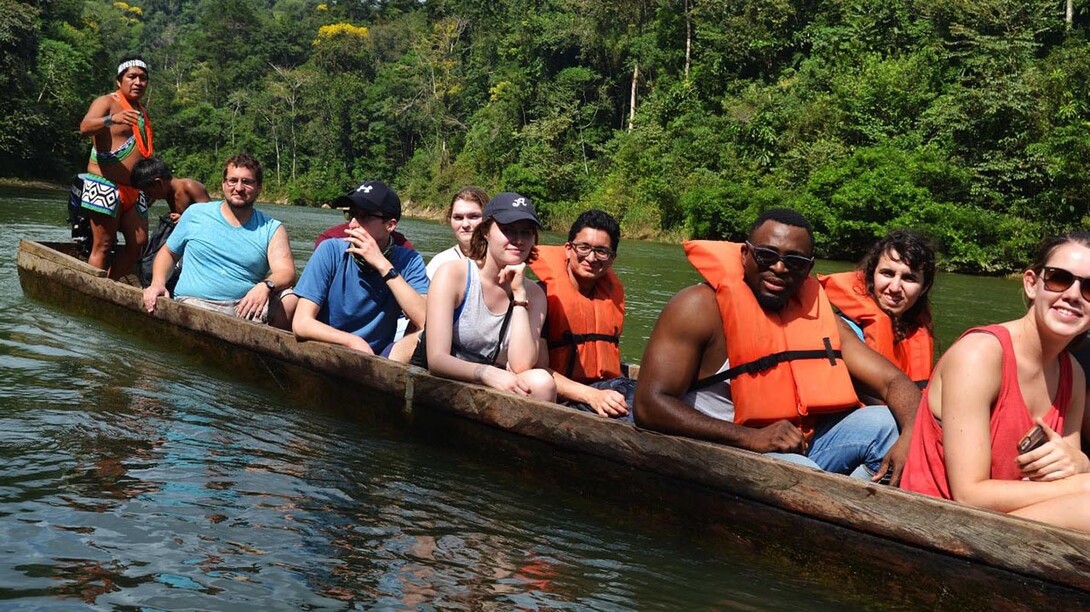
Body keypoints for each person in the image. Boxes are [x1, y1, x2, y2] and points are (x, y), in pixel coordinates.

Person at [634, 208, 920, 484]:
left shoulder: (820, 319)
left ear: (808, 268)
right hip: (723, 447)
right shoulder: (698, 307)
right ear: (745, 254)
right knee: (802, 472)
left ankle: (859, 499)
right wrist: (750, 437)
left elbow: (894, 381)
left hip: (799, 445)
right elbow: (649, 405)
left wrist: (909, 436)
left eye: (794, 261)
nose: (779, 268)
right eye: (766, 255)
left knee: (888, 424)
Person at [902, 233, 1090, 530]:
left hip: (1006, 529)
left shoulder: (1074, 375)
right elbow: (969, 495)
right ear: (1031, 283)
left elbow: (1067, 470)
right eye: (1059, 279)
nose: (1073, 295)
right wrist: (1083, 486)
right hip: (938, 527)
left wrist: (1083, 468)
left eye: (1089, 287)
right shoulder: (979, 356)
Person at [411, 193, 555, 400]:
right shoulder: (453, 275)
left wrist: (519, 295)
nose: (518, 240)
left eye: (526, 233)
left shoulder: (534, 293)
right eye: (508, 230)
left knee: (541, 382)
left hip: (494, 385)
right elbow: (436, 359)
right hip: (445, 384)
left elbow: (521, 365)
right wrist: (485, 373)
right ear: (486, 231)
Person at [141, 153, 297, 329]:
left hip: (245, 308)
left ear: (259, 187)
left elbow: (286, 272)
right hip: (196, 304)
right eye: (233, 181)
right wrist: (157, 284)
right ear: (224, 185)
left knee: (289, 299)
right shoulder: (195, 214)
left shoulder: (272, 228)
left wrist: (266, 286)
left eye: (247, 182)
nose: (239, 188)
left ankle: (267, 352)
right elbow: (169, 253)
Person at [292, 180, 429, 360]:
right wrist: (351, 341)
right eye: (352, 215)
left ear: (390, 225)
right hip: (331, 348)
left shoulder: (409, 261)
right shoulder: (330, 250)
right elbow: (301, 323)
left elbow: (426, 321)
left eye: (364, 216)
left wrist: (383, 265)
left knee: (425, 337)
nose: (352, 225)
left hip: (383, 357)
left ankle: (385, 382)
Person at [529, 210, 634, 419]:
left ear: (612, 258)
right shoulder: (542, 296)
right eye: (583, 247)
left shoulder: (611, 297)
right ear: (568, 249)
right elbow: (537, 370)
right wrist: (592, 396)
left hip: (607, 388)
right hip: (567, 399)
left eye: (602, 251)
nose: (591, 258)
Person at [819, 230, 937, 387]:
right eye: (887, 274)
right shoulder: (847, 330)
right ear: (872, 275)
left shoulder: (915, 329)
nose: (895, 287)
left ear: (924, 287)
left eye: (909, 278)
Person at [77, 57, 155, 280]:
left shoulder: (141, 110)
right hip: (104, 184)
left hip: (134, 188)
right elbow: (84, 127)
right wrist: (113, 119)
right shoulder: (107, 102)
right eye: (132, 77)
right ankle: (92, 291)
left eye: (143, 78)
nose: (138, 82)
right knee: (103, 244)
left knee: (139, 243)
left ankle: (109, 286)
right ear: (119, 80)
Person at [130, 157, 211, 289]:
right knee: (147, 262)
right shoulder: (165, 192)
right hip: (180, 240)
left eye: (149, 192)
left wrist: (185, 218)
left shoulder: (189, 188)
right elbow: (143, 206)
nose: (150, 196)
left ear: (158, 184)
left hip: (197, 242)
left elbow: (212, 218)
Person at [426, 186, 488, 279]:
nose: (465, 224)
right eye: (458, 217)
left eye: (473, 216)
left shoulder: (503, 259)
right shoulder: (439, 263)